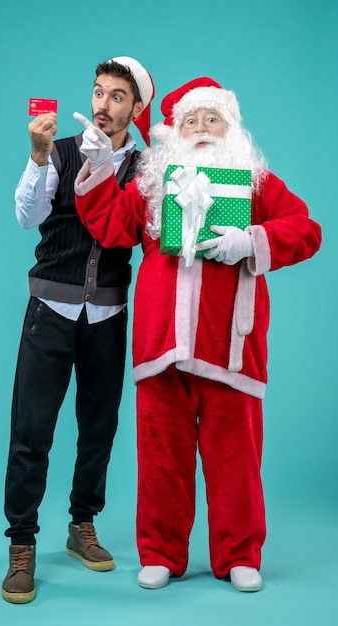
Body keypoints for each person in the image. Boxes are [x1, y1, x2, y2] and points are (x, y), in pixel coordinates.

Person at [73, 76, 322, 592]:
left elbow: (306, 228)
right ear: (175, 131)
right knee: (161, 454)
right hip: (161, 340)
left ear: (232, 128)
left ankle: (239, 554)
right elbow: (112, 226)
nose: (203, 128)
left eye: (213, 119)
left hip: (230, 344)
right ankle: (162, 551)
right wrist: (96, 167)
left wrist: (252, 241)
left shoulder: (255, 182)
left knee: (235, 455)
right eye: (192, 119)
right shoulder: (151, 182)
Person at [1, 56, 155, 604]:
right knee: (32, 430)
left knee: (99, 428)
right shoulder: (63, 150)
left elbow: (146, 232)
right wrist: (40, 156)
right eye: (97, 93)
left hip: (109, 315)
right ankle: (21, 544)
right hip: (51, 309)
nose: (102, 105)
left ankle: (81, 525)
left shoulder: (147, 167)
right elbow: (27, 215)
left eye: (117, 97)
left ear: (137, 109)